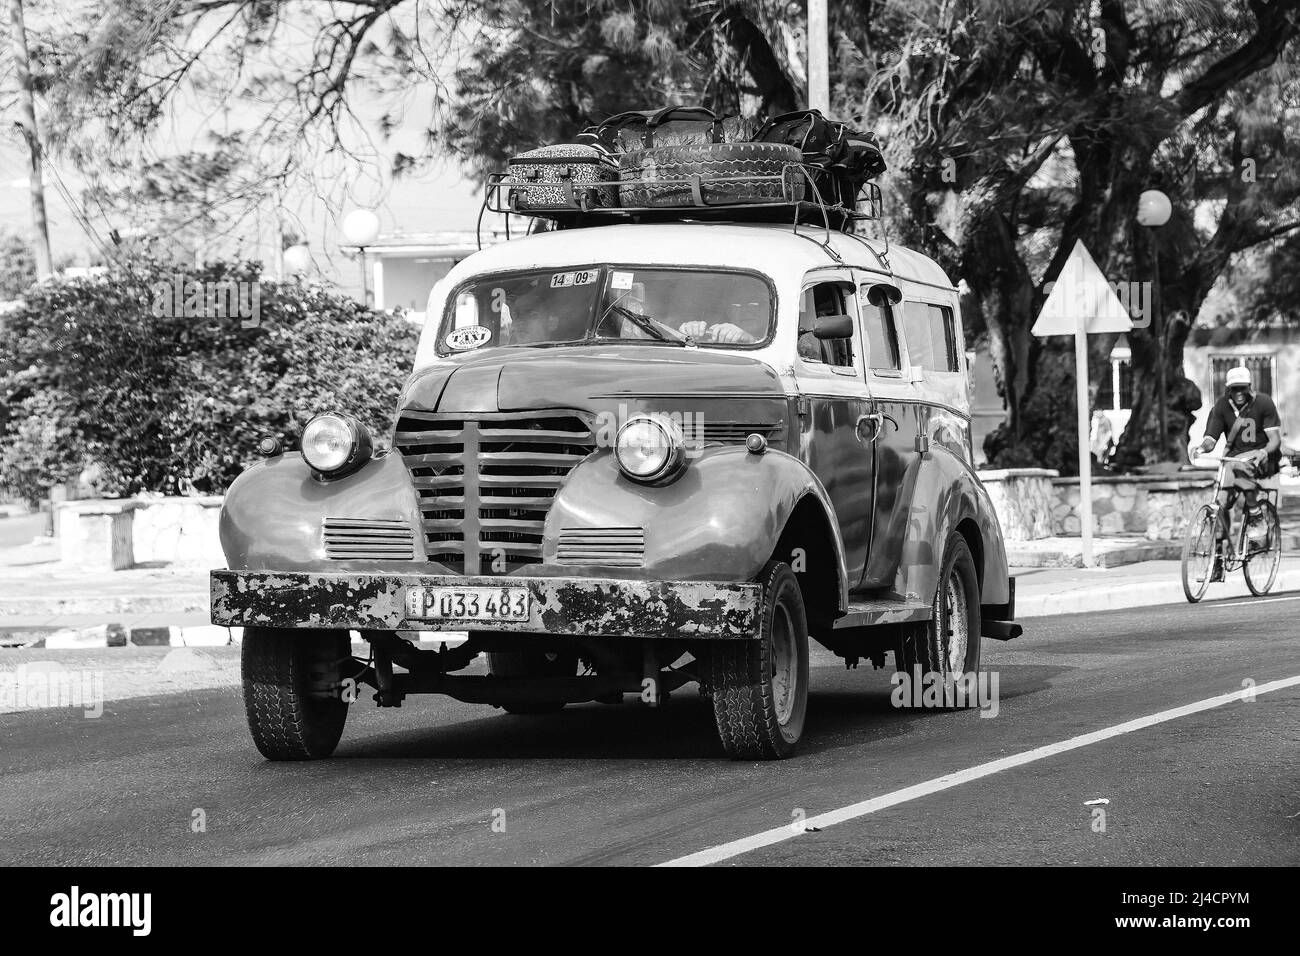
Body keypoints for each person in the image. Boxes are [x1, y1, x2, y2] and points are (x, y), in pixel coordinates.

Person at [1189, 366, 1282, 579]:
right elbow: (1211, 438)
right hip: (1232, 460)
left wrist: (1263, 452)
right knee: (1221, 504)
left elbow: (1275, 439)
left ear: (1249, 387)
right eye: (1234, 388)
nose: (1239, 392)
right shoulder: (1221, 406)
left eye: (1242, 388)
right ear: (1227, 389)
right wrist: (1201, 448)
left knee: (1240, 466)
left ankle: (1258, 518)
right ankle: (1218, 562)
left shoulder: (1263, 403)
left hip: (1261, 457)